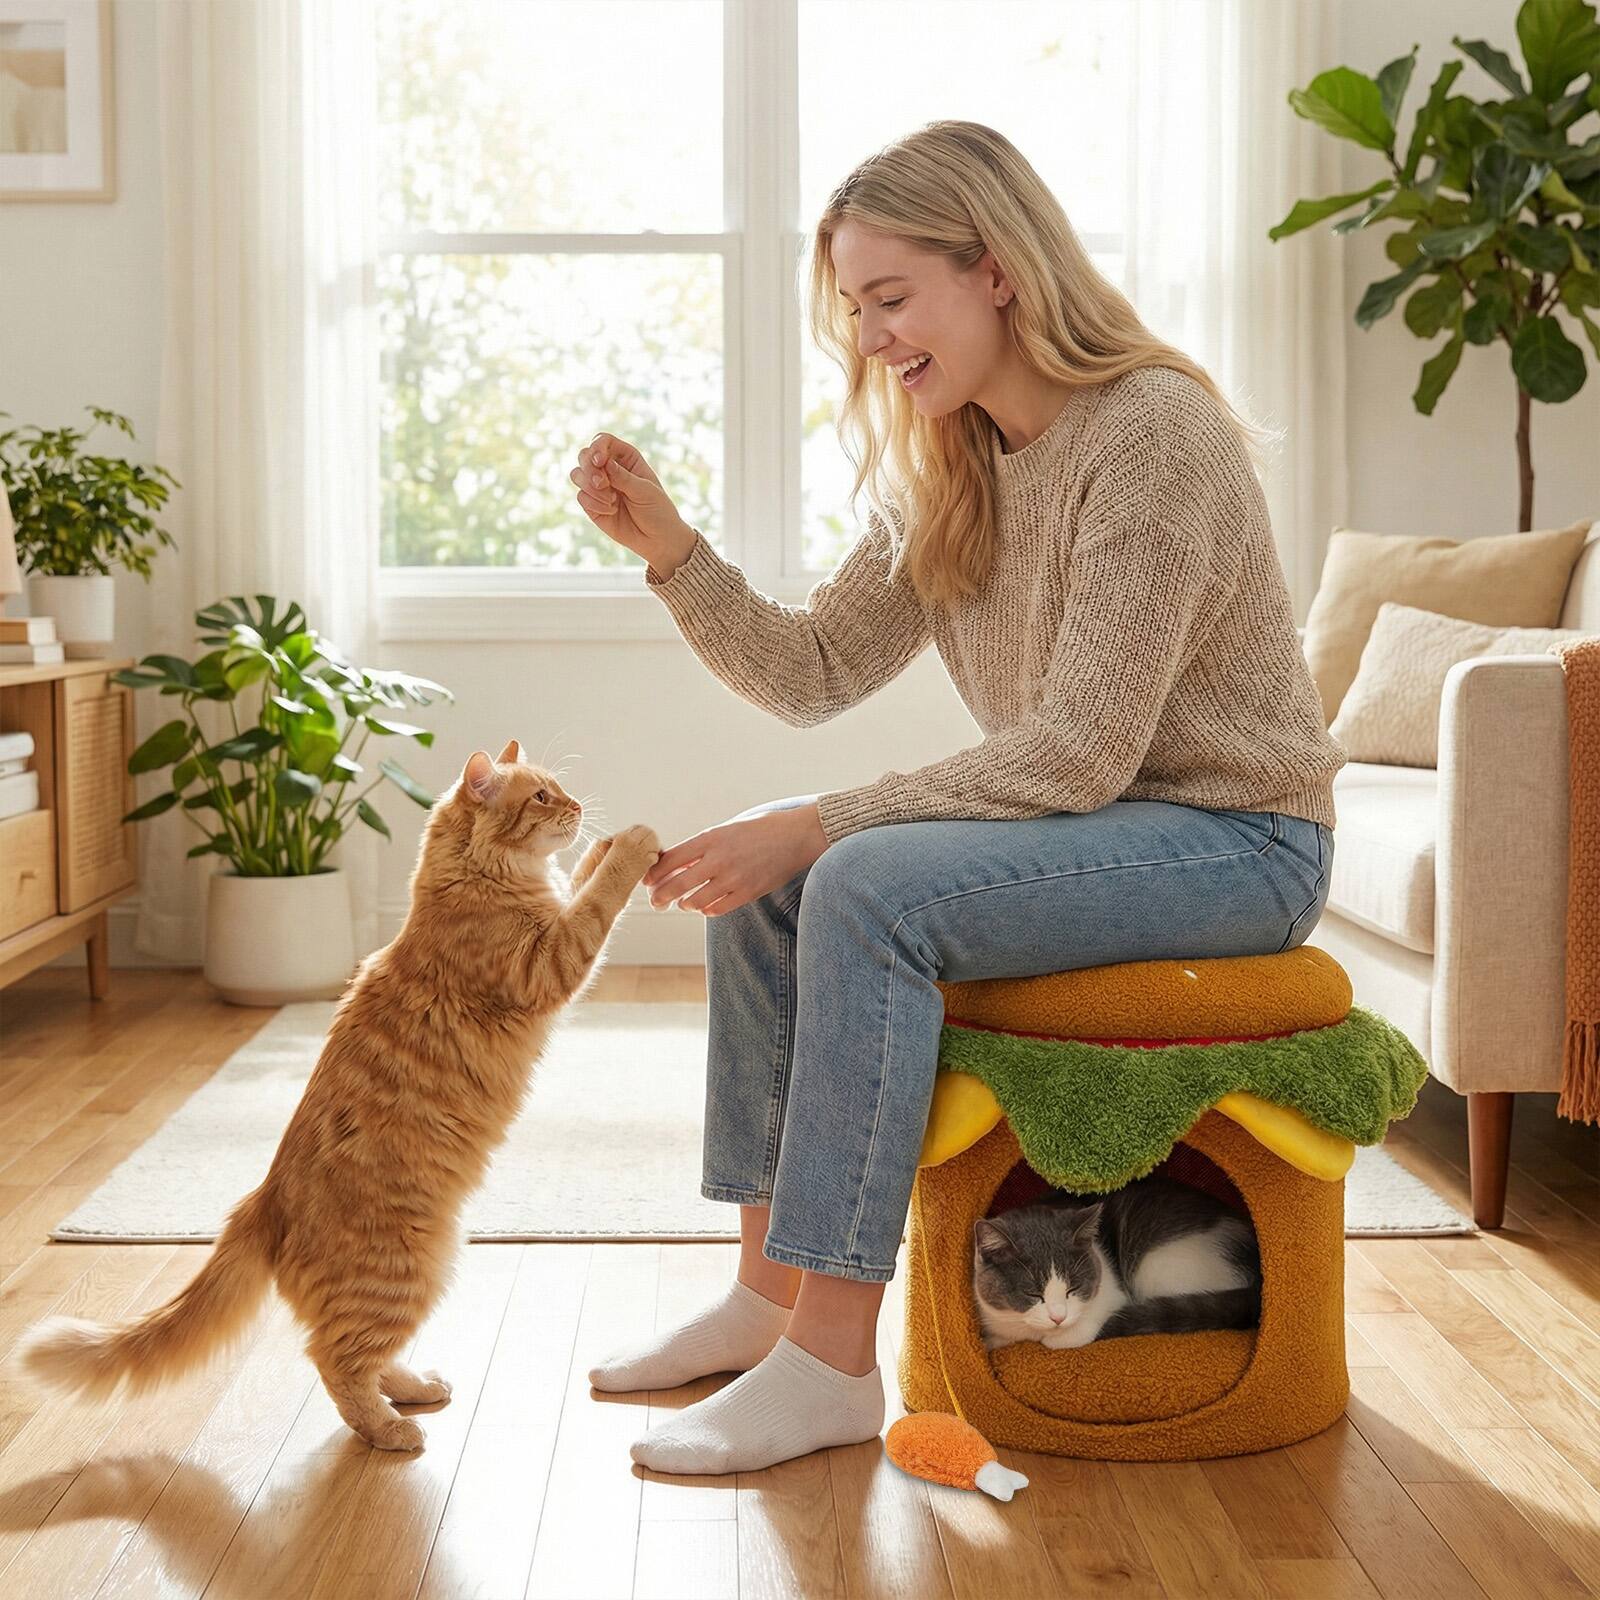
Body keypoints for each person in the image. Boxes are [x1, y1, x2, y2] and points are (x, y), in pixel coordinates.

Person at [568, 120, 1345, 1478]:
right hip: (1095, 829)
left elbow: (1079, 752)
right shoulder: (955, 457)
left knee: (853, 876)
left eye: (891, 298)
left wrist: (820, 823)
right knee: (768, 894)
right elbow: (811, 672)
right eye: (854, 308)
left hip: (1241, 839)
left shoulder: (1153, 433)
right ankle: (764, 1300)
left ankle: (829, 1364)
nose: (871, 338)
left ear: (997, 270)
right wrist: (675, 551)